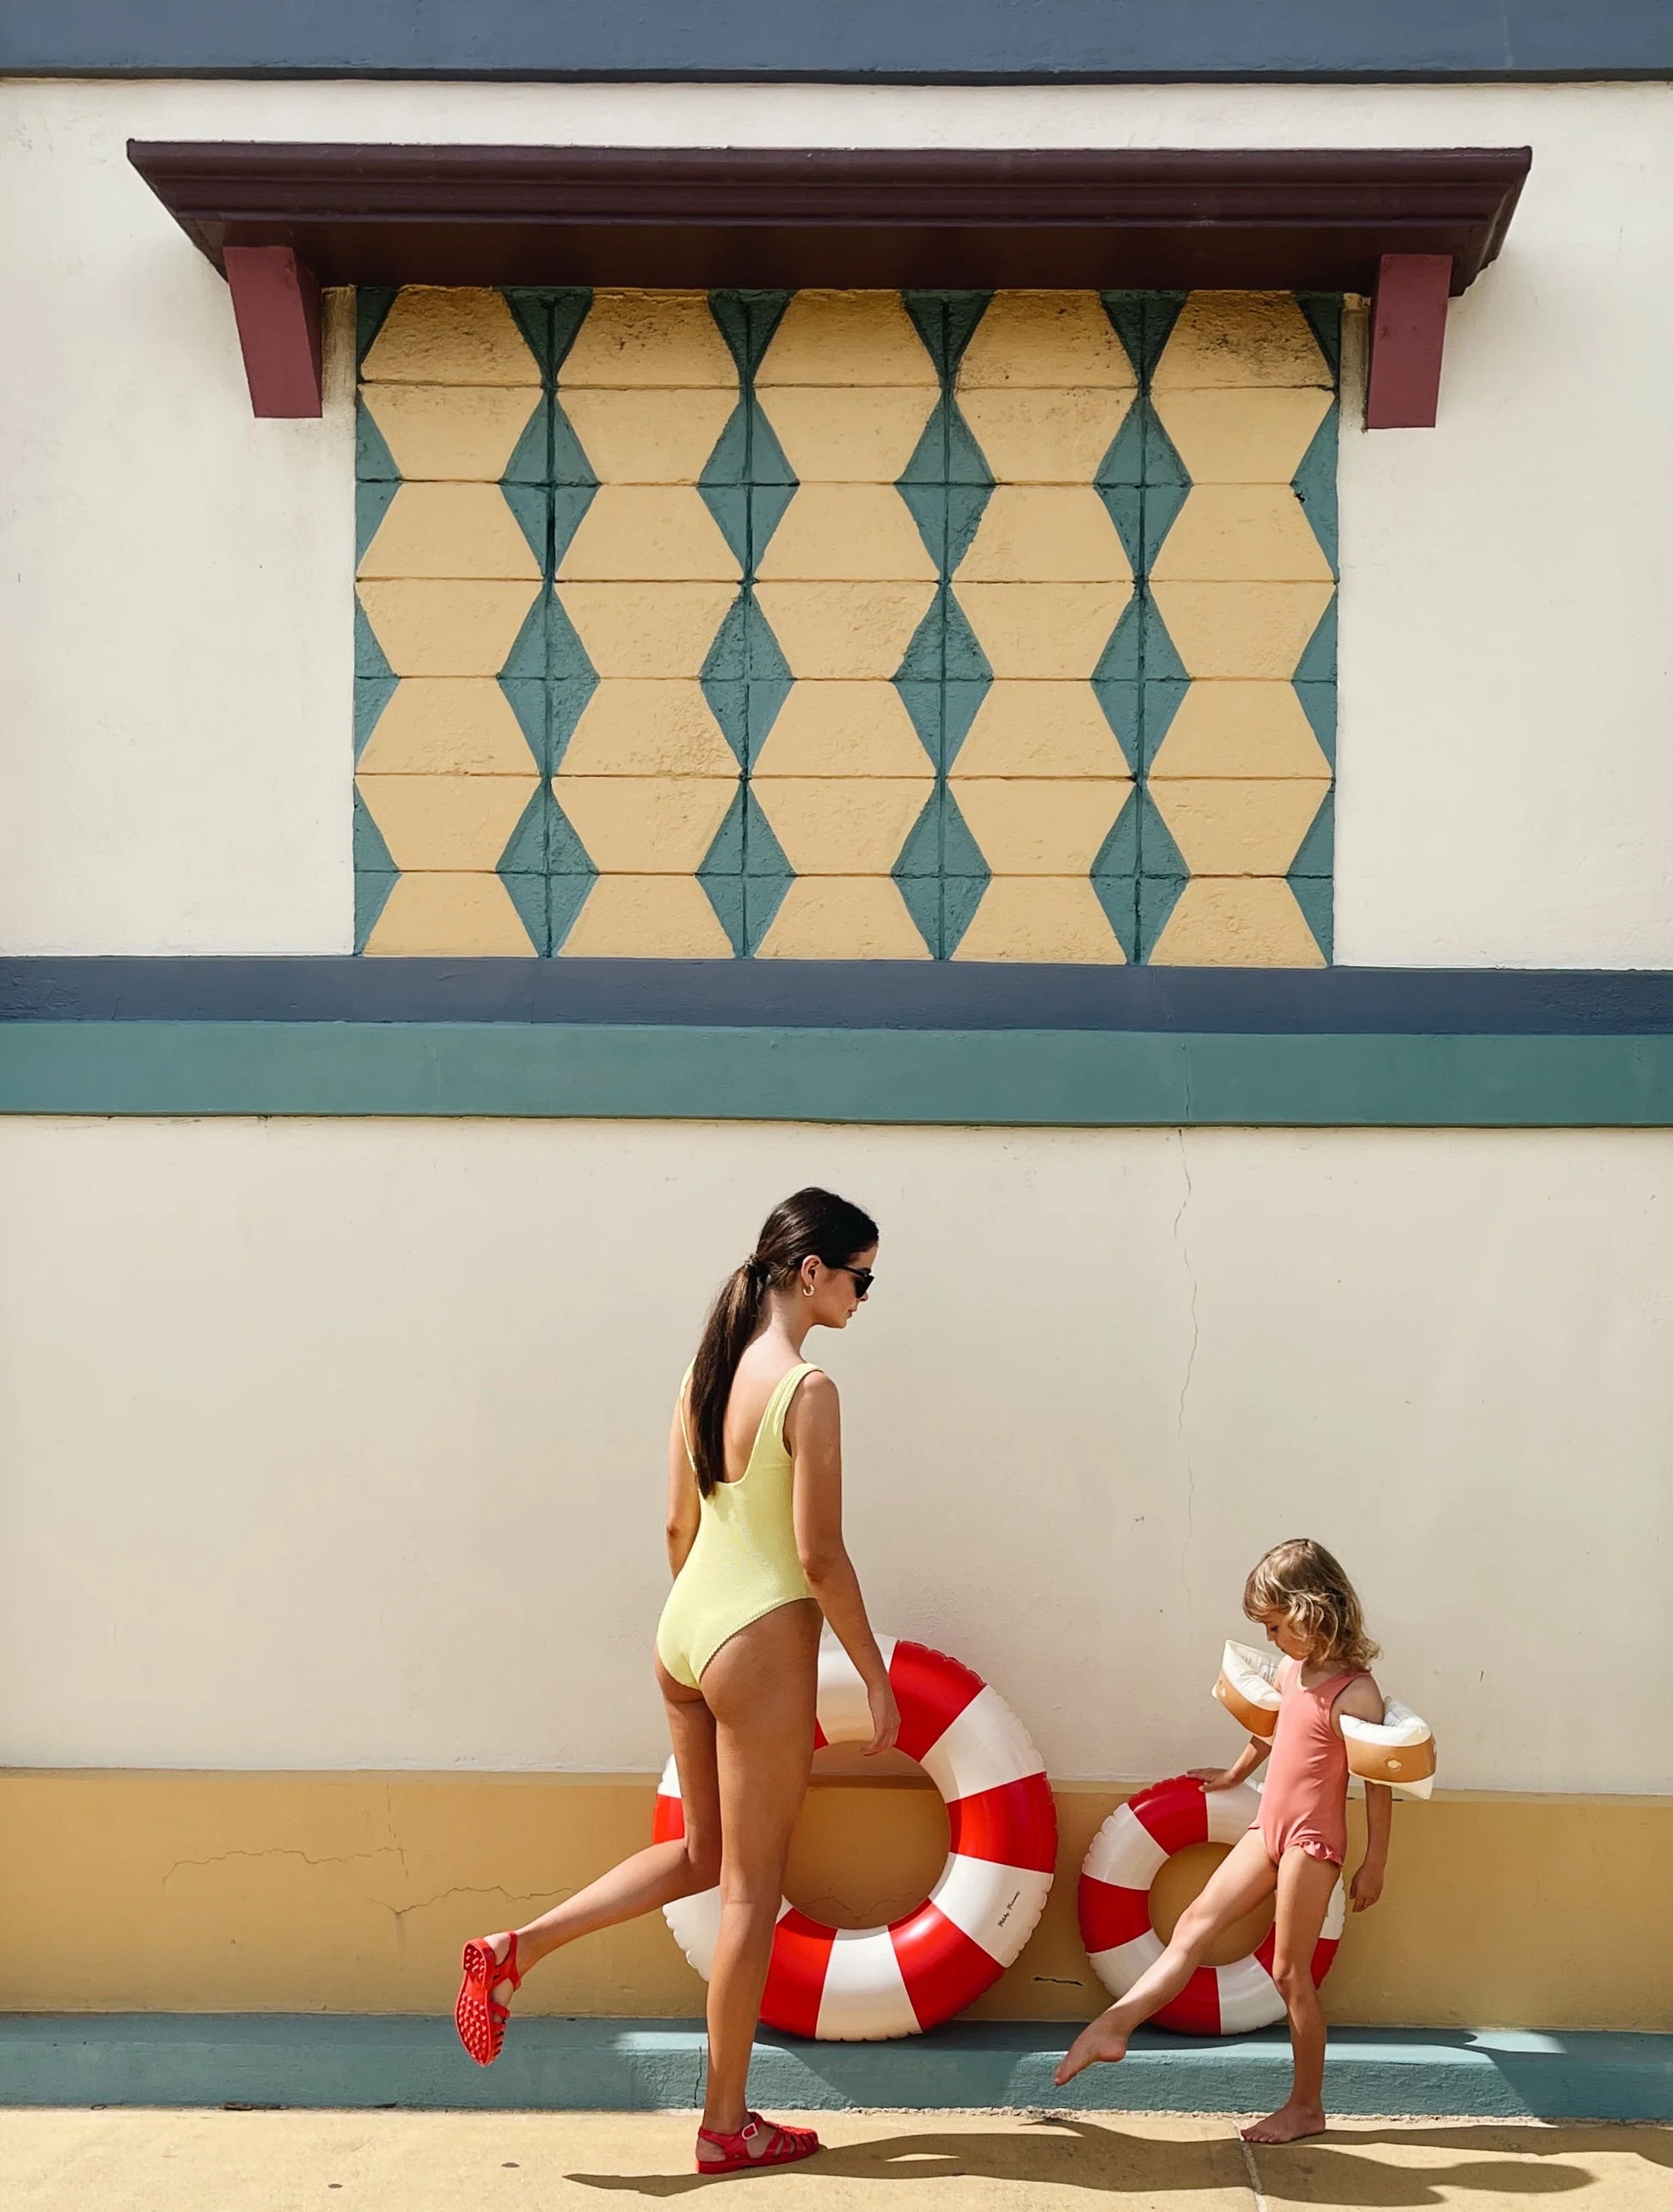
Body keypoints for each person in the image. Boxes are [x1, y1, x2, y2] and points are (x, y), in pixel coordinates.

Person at [453, 1187, 898, 2178]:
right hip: (756, 1635)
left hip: (685, 1626)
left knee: (703, 1852)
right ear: (811, 1271)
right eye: (860, 1277)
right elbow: (819, 1556)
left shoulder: (704, 1368)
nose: (864, 1296)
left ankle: (518, 1944)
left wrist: (701, 1629)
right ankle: (725, 2123)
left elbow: (674, 1524)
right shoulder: (807, 1389)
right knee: (749, 1891)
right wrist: (871, 1673)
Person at [1056, 1537, 1392, 2144]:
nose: (1270, 1638)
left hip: (1312, 1841)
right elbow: (1270, 1731)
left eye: (1276, 1625)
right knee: (1193, 1924)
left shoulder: (1357, 1694)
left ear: (1312, 1611)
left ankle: (1306, 2106)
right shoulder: (1291, 1671)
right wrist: (1236, 1775)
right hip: (1269, 1826)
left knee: (1289, 1973)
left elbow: (1377, 1786)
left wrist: (1374, 1863)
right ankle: (1114, 2026)